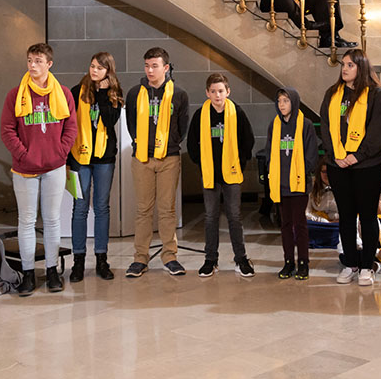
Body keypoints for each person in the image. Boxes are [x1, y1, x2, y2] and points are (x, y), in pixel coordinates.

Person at [0, 42, 77, 296]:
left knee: (52, 219)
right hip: (25, 169)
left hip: (54, 166)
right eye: (30, 61)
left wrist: (60, 152)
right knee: (27, 221)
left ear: (49, 64)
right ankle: (28, 273)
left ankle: (53, 271)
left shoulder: (63, 93)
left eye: (38, 61)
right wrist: (24, 154)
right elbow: (7, 130)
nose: (32, 66)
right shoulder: (15, 94)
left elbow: (71, 127)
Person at [320, 48, 381, 285]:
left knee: (368, 217)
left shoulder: (376, 95)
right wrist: (335, 154)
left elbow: (378, 131)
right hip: (338, 165)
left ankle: (367, 266)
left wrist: (357, 156)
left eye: (350, 65)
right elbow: (325, 126)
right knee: (346, 217)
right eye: (343, 64)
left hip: (367, 166)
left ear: (361, 67)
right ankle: (350, 264)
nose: (345, 69)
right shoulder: (333, 94)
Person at [124, 47, 190, 277]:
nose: (150, 70)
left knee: (167, 210)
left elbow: (182, 127)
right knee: (143, 210)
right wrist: (142, 144)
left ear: (166, 68)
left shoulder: (179, 94)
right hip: (142, 158)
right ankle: (140, 258)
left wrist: (169, 143)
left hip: (169, 158)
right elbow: (131, 124)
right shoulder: (135, 93)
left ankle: (170, 256)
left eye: (154, 66)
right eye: (147, 66)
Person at [187, 73, 255, 277]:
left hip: (231, 173)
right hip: (210, 174)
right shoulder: (201, 115)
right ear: (207, 93)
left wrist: (240, 163)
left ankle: (241, 259)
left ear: (228, 92)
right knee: (210, 217)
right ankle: (210, 259)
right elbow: (192, 144)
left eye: (221, 91)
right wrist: (202, 164)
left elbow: (248, 140)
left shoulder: (237, 112)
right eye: (213, 91)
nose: (217, 95)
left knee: (234, 216)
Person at [68, 51, 123, 282]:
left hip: (104, 158)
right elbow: (68, 124)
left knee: (101, 208)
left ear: (108, 71)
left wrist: (102, 93)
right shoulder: (76, 91)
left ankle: (102, 259)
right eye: (92, 66)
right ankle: (78, 261)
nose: (94, 71)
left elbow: (110, 121)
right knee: (80, 208)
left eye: (100, 68)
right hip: (79, 158)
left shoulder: (114, 93)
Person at [264, 86, 317, 280]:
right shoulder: (274, 125)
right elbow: (269, 152)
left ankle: (303, 262)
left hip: (299, 184)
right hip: (281, 184)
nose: (282, 105)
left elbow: (311, 154)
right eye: (279, 101)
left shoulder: (305, 124)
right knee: (285, 225)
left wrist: (302, 172)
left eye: (285, 101)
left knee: (299, 224)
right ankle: (288, 262)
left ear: (293, 102)